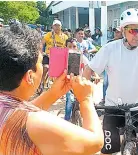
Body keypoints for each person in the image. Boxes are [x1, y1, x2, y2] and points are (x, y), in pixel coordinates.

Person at [0, 23, 103, 155]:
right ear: (30, 76)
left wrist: (53, 93)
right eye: (41, 62)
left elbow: (16, 117)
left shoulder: (7, 109)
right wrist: (86, 99)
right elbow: (95, 143)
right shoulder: (34, 123)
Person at [83, 8, 138, 155]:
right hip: (113, 107)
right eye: (133, 30)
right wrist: (85, 97)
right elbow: (88, 69)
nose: (137, 35)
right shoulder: (110, 49)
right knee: (107, 151)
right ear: (123, 30)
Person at [40, 20, 68, 93]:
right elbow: (42, 43)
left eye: (58, 25)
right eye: (55, 25)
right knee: (45, 68)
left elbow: (67, 47)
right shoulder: (49, 34)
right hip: (48, 55)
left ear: (61, 27)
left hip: (59, 57)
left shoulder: (65, 37)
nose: (57, 27)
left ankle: (57, 87)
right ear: (52, 26)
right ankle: (41, 83)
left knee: (59, 73)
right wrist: (41, 52)